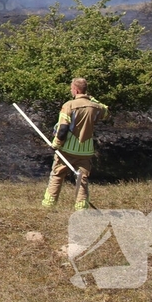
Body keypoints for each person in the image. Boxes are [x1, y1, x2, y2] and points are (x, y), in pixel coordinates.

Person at [42, 77, 109, 210]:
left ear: (76, 90)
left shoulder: (69, 105)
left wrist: (56, 144)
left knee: (57, 175)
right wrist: (92, 99)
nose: (70, 90)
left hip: (67, 149)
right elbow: (106, 111)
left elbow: (63, 129)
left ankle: (48, 205)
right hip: (85, 150)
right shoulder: (96, 107)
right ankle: (81, 208)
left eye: (71, 88)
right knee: (82, 179)